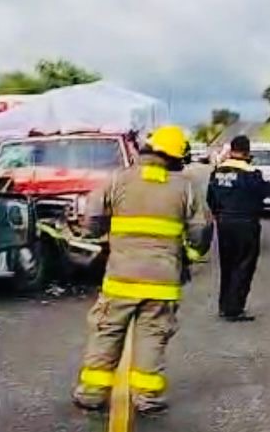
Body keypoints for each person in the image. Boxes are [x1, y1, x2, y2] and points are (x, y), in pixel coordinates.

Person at [72, 125, 213, 414]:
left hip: (121, 277)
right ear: (175, 157)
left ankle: (92, 394)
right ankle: (147, 398)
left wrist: (96, 235)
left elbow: (94, 215)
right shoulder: (185, 186)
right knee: (153, 335)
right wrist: (190, 254)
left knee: (107, 331)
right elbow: (201, 229)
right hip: (162, 281)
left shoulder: (119, 180)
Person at [207, 135, 270, 321]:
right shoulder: (250, 173)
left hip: (224, 224)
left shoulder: (218, 172)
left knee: (227, 265)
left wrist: (219, 213)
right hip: (246, 224)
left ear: (231, 150)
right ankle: (234, 309)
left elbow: (211, 198)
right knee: (244, 265)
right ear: (247, 151)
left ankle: (224, 306)